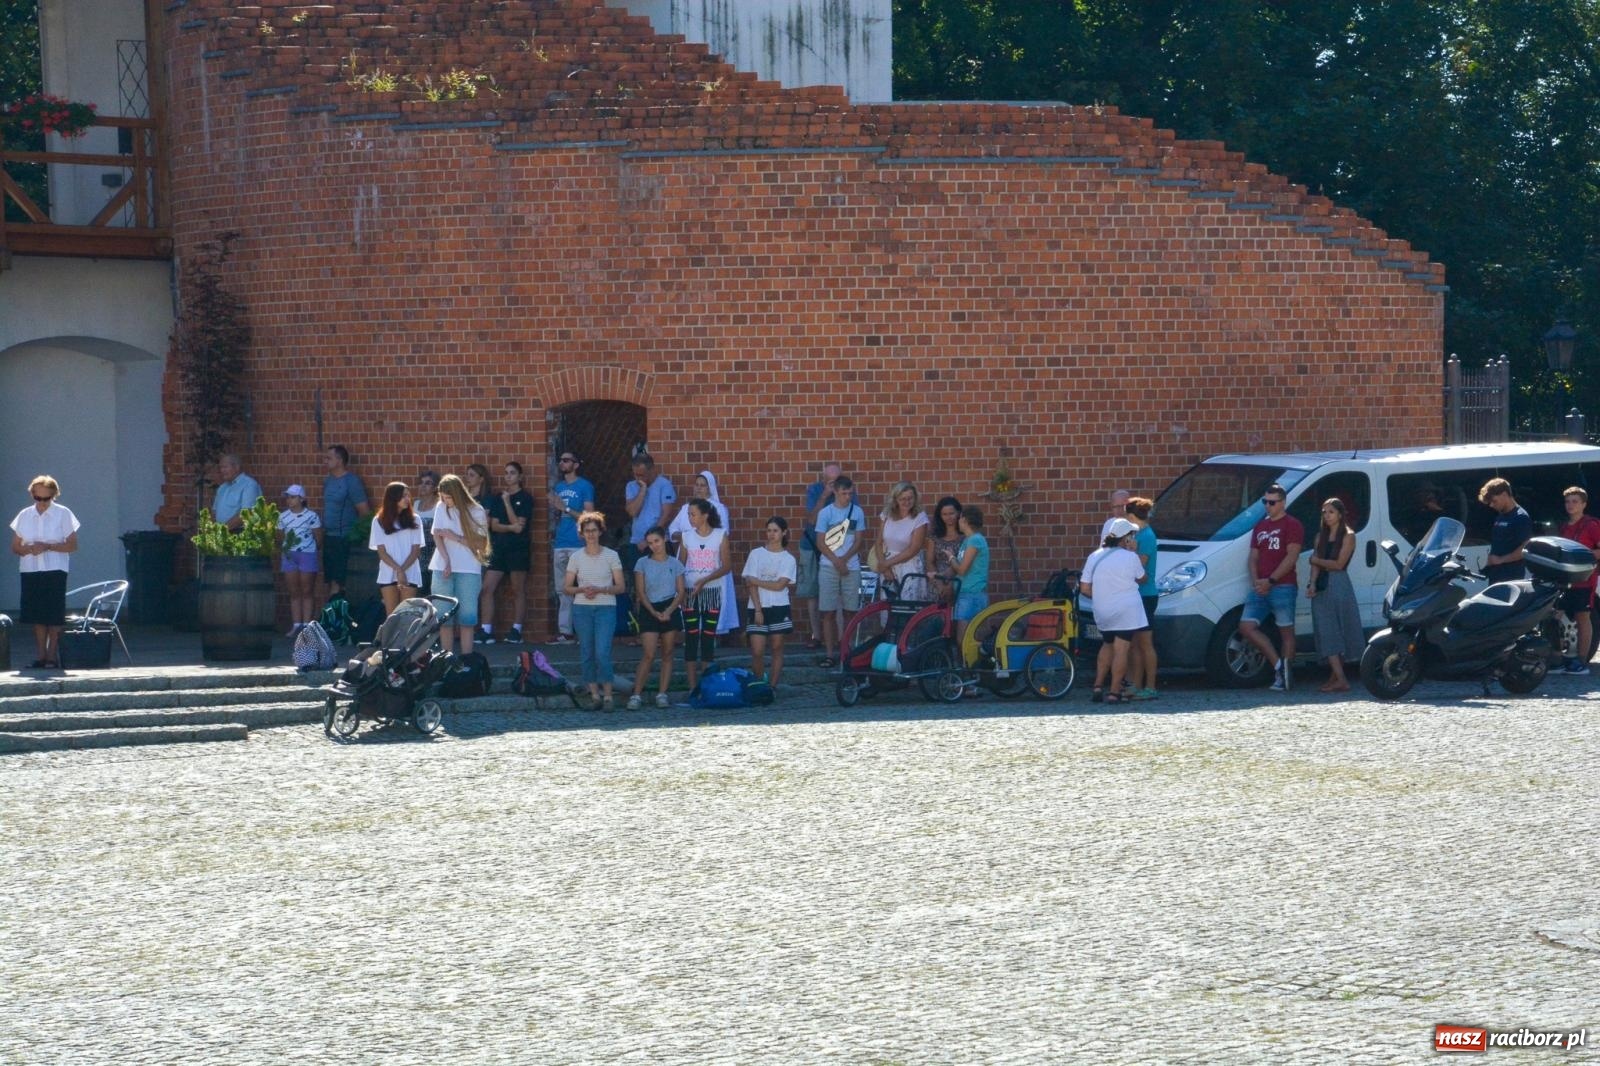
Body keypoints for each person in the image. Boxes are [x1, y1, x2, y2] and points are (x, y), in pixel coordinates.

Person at [1237, 483, 1303, 692]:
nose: (1268, 506)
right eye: (1265, 502)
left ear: (1282, 502)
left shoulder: (1292, 524)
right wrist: (1257, 580)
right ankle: (1278, 666)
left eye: (1272, 502)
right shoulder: (1260, 526)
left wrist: (1271, 580)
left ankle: (1287, 676)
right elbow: (1253, 557)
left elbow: (1291, 556)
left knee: (1286, 631)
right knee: (1246, 627)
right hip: (1260, 587)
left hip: (1283, 585)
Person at [10, 476, 78, 670]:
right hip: (31, 569)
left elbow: (73, 545)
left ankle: (52, 656)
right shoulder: (24, 515)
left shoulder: (63, 513)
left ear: (53, 496)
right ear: (32, 495)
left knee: (54, 614)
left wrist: (48, 546)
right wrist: (27, 549)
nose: (41, 503)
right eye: (37, 498)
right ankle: (40, 656)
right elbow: (15, 546)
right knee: (36, 615)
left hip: (55, 568)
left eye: (45, 499)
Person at [1080, 518, 1147, 704]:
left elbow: (1084, 588)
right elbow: (1143, 579)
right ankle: (1115, 691)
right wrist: (1133, 552)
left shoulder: (1094, 556)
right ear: (1125, 538)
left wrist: (1103, 596)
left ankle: (1097, 686)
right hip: (1126, 609)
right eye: (1131, 536)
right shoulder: (1130, 557)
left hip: (1102, 609)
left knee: (1106, 644)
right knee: (1121, 649)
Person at [564, 510, 625, 709]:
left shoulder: (611, 555)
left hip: (606, 607)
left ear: (600, 532)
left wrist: (601, 589)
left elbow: (621, 586)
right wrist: (582, 589)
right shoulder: (576, 557)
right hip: (582, 607)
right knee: (587, 651)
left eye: (594, 530)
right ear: (581, 534)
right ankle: (595, 695)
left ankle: (608, 695)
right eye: (587, 531)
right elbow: (567, 587)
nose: (590, 534)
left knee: (603, 652)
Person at [668, 470, 741, 635]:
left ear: (710, 488)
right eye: (697, 485)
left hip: (711, 558)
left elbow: (723, 532)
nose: (699, 488)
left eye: (703, 485)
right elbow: (672, 530)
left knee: (713, 600)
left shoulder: (718, 508)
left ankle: (714, 635)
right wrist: (685, 536)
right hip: (689, 557)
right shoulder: (686, 508)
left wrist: (701, 535)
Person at [1305, 498, 1365, 693]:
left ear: (1340, 514)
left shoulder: (1348, 536)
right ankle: (1336, 676)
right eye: (1324, 512)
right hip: (1322, 584)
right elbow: (1315, 564)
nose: (1326, 515)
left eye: (1330, 512)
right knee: (1326, 630)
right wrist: (1312, 583)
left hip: (1338, 583)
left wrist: (1316, 560)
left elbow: (1339, 564)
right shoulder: (1320, 536)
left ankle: (1340, 679)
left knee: (1337, 629)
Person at [428, 473, 489, 655]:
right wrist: (446, 559)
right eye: (443, 497)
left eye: (449, 497)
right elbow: (437, 534)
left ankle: (467, 659)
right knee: (444, 617)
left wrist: (456, 537)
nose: (446, 501)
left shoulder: (476, 510)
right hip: (442, 566)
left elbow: (480, 543)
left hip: (469, 568)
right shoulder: (441, 507)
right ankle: (447, 659)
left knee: (467, 617)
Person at [678, 497, 732, 693]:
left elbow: (726, 566)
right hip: (690, 593)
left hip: (711, 592)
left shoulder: (720, 535)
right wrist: (683, 589)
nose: (690, 518)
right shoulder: (686, 537)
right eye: (689, 514)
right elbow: (680, 566)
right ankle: (693, 687)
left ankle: (707, 684)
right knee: (691, 637)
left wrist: (705, 580)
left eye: (693, 514)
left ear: (705, 515)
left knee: (708, 636)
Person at [814, 475, 868, 668]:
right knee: (827, 611)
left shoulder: (858, 512)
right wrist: (837, 561)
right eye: (844, 493)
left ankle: (847, 652)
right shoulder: (826, 513)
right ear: (835, 492)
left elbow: (859, 540)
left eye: (850, 493)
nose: (847, 497)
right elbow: (820, 542)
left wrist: (844, 560)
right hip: (829, 566)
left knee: (850, 611)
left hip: (851, 566)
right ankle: (829, 654)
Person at [627, 525, 683, 710]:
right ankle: (636, 694)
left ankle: (662, 693)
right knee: (649, 653)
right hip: (649, 608)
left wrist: (668, 611)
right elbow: (641, 592)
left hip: (670, 606)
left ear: (664, 540)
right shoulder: (642, 563)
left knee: (667, 652)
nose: (654, 546)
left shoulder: (675, 564)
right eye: (650, 543)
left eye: (657, 541)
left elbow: (681, 591)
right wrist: (652, 611)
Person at [479, 461, 534, 645]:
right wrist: (510, 526)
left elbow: (520, 528)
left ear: (520, 476)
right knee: (487, 588)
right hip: (498, 548)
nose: (508, 476)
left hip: (518, 550)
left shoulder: (525, 498)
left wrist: (507, 503)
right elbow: (494, 525)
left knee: (517, 589)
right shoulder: (497, 497)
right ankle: (486, 630)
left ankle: (516, 630)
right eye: (506, 473)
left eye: (512, 473)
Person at [547, 449, 594, 645]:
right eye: (561, 460)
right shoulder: (558, 486)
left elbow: (589, 516)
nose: (562, 463)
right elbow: (557, 515)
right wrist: (557, 511)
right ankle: (565, 632)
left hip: (578, 543)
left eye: (567, 460)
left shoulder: (585, 486)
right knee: (562, 589)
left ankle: (585, 631)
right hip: (561, 542)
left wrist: (564, 508)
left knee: (583, 588)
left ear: (576, 464)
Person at [744, 516, 797, 689]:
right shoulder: (756, 554)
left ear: (784, 533)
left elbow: (779, 585)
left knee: (776, 648)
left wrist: (757, 581)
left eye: (775, 531)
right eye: (769, 530)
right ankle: (760, 683)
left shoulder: (789, 559)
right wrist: (758, 609)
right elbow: (748, 583)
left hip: (779, 607)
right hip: (757, 607)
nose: (771, 534)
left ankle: (772, 687)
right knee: (757, 651)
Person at [797, 461, 847, 648]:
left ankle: (842, 638)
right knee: (812, 591)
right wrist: (825, 495)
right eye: (830, 481)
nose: (834, 484)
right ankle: (815, 636)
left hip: (837, 547)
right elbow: (811, 519)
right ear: (823, 479)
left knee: (839, 592)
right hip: (811, 544)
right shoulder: (815, 490)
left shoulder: (848, 491)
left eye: (837, 480)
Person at [1557, 486, 1600, 673]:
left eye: (1575, 501)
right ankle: (1561, 657)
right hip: (1566, 580)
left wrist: (1582, 555)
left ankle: (1581, 661)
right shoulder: (1564, 527)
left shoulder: (1591, 525)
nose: (1570, 505)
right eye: (1568, 501)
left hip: (1585, 579)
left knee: (1583, 617)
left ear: (1583, 504)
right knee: (1558, 615)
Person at [1123, 496, 1160, 700]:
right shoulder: (1137, 533)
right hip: (1136, 596)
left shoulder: (1146, 536)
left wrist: (1129, 551)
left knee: (1146, 643)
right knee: (1135, 643)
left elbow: (1141, 565)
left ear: (1131, 515)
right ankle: (1136, 685)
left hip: (1146, 595)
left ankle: (1151, 686)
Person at [321, 445, 370, 598]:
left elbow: (364, 511)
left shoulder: (351, 481)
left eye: (329, 458)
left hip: (344, 538)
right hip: (329, 537)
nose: (325, 461)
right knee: (330, 581)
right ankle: (333, 616)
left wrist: (357, 536)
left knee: (339, 582)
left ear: (340, 460)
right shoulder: (328, 481)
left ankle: (336, 618)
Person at [369, 481, 423, 616]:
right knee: (392, 616)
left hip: (410, 571)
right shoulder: (378, 521)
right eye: (403, 496)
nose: (407, 499)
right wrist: (398, 570)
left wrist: (403, 571)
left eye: (408, 496)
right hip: (388, 572)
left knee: (407, 616)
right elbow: (382, 552)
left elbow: (416, 550)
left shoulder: (415, 519)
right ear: (393, 498)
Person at [276, 484, 322, 636]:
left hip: (307, 554)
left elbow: (318, 536)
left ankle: (307, 626)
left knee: (307, 590)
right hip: (290, 555)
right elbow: (280, 535)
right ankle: (296, 625)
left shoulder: (312, 516)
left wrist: (312, 548)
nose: (289, 500)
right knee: (294, 591)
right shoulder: (283, 517)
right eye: (288, 497)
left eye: (293, 497)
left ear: (302, 499)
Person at [876, 481, 930, 599]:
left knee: (907, 607)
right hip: (887, 566)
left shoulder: (920, 517)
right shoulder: (886, 514)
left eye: (910, 498)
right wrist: (884, 567)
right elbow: (879, 543)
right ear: (895, 499)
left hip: (909, 566)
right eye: (902, 499)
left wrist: (885, 564)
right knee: (887, 605)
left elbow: (913, 549)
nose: (907, 502)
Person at [949, 505, 989, 654]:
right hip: (965, 594)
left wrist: (950, 557)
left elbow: (962, 569)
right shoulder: (968, 541)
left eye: (959, 518)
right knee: (964, 638)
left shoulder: (975, 541)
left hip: (972, 594)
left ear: (964, 520)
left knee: (965, 639)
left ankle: (973, 669)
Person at [624, 452, 677, 556]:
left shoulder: (664, 485)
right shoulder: (631, 486)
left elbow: (666, 515)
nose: (638, 478)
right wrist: (642, 490)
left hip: (658, 542)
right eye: (635, 474)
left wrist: (649, 540)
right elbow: (632, 512)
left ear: (652, 470)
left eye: (641, 475)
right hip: (637, 541)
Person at [1480, 477, 1531, 583]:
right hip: (1495, 575)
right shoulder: (1501, 516)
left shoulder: (1520, 517)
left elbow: (1525, 548)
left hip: (1511, 577)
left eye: (1494, 501)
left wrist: (1500, 560)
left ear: (1504, 494)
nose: (1492, 505)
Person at [925, 495, 964, 605]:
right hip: (937, 582)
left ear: (958, 513)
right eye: (944, 514)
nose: (948, 517)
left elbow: (964, 562)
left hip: (958, 582)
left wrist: (950, 585)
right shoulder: (935, 536)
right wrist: (939, 584)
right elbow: (929, 561)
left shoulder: (965, 536)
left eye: (952, 513)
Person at [211, 454, 263, 532]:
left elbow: (246, 513)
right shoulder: (222, 488)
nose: (222, 470)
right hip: (222, 534)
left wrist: (222, 530)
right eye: (220, 468)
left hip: (240, 532)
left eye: (225, 467)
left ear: (236, 467)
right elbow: (214, 511)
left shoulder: (249, 485)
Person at [414, 471, 440, 598]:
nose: (423, 486)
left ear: (435, 487)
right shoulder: (415, 504)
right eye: (421, 483)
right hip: (417, 555)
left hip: (434, 554)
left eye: (428, 483)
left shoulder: (439, 506)